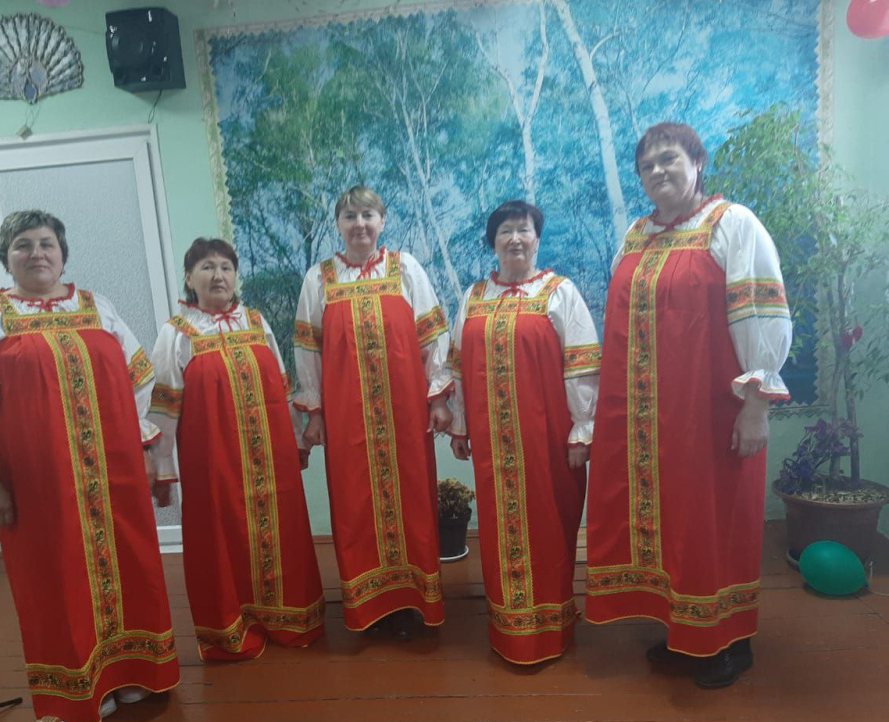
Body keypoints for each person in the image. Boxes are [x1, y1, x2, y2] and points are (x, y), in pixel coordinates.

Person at [0, 210, 179, 722]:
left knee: (130, 566)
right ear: (7, 258)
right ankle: (78, 687)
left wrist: (142, 447)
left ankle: (133, 670)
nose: (36, 253)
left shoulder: (97, 307)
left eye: (46, 243)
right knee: (54, 579)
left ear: (62, 254)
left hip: (113, 477)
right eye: (22, 245)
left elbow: (139, 380)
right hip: (38, 484)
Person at [585, 123, 793, 688]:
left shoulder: (732, 224)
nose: (658, 170)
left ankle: (729, 642)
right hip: (648, 420)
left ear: (697, 161)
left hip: (711, 412)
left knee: (715, 522)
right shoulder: (636, 235)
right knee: (670, 523)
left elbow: (761, 318)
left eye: (669, 158)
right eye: (647, 165)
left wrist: (756, 405)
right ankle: (684, 630)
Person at [149, 238, 325, 660]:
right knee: (221, 540)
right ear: (189, 277)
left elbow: (280, 386)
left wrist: (297, 440)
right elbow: (163, 408)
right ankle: (233, 629)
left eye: (226, 267)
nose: (218, 276)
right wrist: (161, 468)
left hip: (272, 461)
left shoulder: (257, 322)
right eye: (207, 267)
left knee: (282, 533)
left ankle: (287, 619)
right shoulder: (176, 334)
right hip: (214, 465)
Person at [293, 185, 452, 640]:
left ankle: (412, 600)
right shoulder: (318, 279)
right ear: (338, 225)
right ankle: (370, 606)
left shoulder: (406, 268)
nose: (359, 224)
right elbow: (308, 349)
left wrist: (438, 398)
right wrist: (314, 412)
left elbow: (431, 335)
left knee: (412, 501)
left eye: (367, 215)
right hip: (346, 417)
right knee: (355, 505)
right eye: (350, 216)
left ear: (382, 221)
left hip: (405, 413)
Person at [448, 201, 600, 664]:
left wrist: (582, 429)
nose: (515, 238)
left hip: (548, 440)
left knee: (550, 527)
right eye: (505, 231)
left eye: (524, 229)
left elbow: (581, 366)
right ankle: (510, 630)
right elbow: (458, 367)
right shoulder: (474, 297)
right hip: (493, 446)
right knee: (499, 530)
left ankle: (552, 627)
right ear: (492, 242)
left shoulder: (559, 293)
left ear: (537, 238)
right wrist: (460, 424)